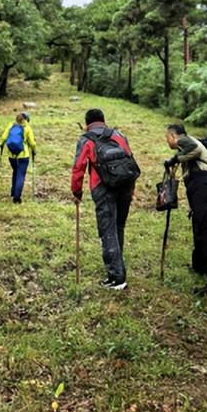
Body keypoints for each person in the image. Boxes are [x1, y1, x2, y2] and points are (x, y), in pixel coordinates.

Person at [71, 108, 137, 290]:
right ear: (103, 120)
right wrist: (132, 189)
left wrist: (77, 193)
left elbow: (78, 168)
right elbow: (130, 161)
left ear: (87, 124)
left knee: (108, 231)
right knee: (118, 227)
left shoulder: (86, 140)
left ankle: (117, 278)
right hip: (126, 185)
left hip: (103, 188)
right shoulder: (118, 135)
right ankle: (118, 267)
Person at [164, 123, 207, 296]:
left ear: (173, 136)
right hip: (205, 190)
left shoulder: (185, 141)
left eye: (167, 138)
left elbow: (195, 149)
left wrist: (175, 159)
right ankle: (199, 266)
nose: (167, 141)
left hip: (205, 189)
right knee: (200, 230)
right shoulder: (187, 147)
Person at [0, 111, 36, 203]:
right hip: (23, 155)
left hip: (11, 155)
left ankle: (13, 192)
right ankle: (17, 198)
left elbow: (3, 138)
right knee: (20, 175)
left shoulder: (11, 125)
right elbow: (32, 143)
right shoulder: (27, 128)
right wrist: (34, 151)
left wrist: (1, 145)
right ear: (27, 119)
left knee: (15, 171)